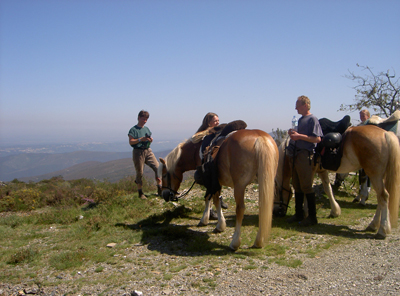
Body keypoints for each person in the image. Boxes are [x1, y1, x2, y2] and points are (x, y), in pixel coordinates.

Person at [286, 96, 323, 226]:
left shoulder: (312, 119)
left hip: (305, 156)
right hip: (296, 155)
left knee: (306, 186)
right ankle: (299, 214)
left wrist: (299, 136)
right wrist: (293, 134)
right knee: (297, 185)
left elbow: (317, 139)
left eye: (298, 105)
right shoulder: (301, 120)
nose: (296, 108)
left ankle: (312, 217)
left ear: (306, 105)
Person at [196, 112, 228, 215]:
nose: (217, 123)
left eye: (218, 120)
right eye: (215, 121)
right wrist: (208, 132)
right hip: (206, 163)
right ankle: (210, 210)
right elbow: (194, 139)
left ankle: (218, 198)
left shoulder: (218, 132)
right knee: (211, 183)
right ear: (209, 122)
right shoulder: (205, 135)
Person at [128, 110, 162, 199]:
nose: (145, 121)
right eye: (143, 119)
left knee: (158, 168)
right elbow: (131, 142)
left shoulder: (146, 129)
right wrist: (140, 140)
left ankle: (160, 189)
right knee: (140, 172)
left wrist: (150, 139)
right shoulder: (133, 130)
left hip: (148, 150)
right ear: (139, 118)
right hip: (138, 152)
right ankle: (140, 193)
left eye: (146, 119)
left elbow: (149, 138)